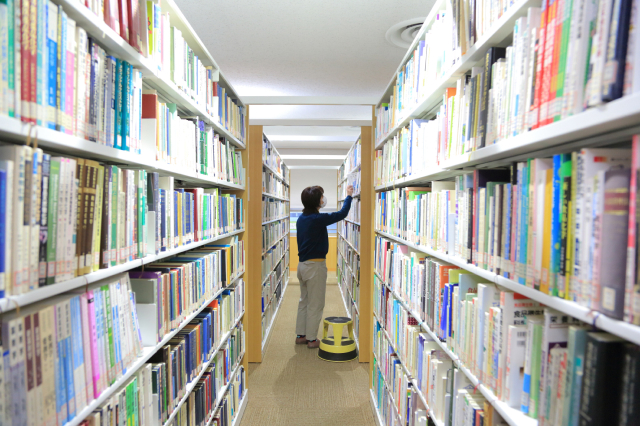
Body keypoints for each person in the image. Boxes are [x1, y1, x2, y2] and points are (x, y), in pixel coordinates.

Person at [295, 184, 354, 348]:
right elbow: (342, 214)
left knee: (304, 301)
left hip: (302, 266)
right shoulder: (317, 219)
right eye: (321, 196)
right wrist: (349, 196)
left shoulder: (302, 218)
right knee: (316, 304)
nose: (323, 199)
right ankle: (312, 339)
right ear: (316, 201)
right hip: (315, 267)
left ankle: (301, 335)